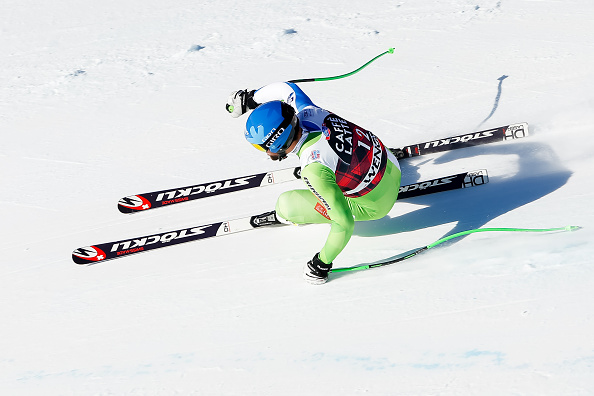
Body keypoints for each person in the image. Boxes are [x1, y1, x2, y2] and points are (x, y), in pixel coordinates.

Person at [226, 82, 401, 284]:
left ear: (277, 142)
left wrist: (321, 265)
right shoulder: (309, 112)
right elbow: (287, 89)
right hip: (390, 161)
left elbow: (344, 223)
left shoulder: (314, 169)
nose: (265, 152)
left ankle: (286, 217)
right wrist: (251, 98)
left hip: (376, 206)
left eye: (262, 147)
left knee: (287, 204)